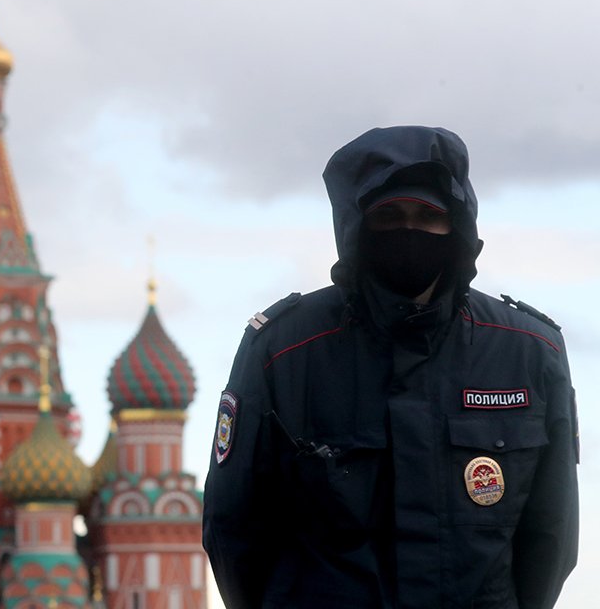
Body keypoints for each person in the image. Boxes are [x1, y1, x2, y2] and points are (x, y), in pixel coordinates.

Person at [202, 126, 578, 608]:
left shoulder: (528, 351)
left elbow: (551, 535)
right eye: (389, 216)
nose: (410, 231)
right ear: (357, 226)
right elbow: (234, 531)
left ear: (457, 226)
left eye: (428, 216)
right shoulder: (284, 352)